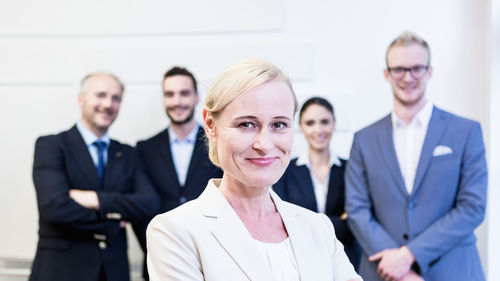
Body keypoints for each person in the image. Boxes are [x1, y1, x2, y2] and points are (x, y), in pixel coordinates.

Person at [146, 59, 362, 281]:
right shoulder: (174, 231)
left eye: (278, 124)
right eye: (246, 124)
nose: (265, 144)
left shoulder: (319, 228)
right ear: (211, 125)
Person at [345, 31, 487, 281]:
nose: (408, 77)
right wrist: (397, 266)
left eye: (416, 68)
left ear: (429, 72)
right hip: (383, 272)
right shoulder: (363, 139)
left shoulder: (466, 131)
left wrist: (409, 256)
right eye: (399, 69)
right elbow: (357, 210)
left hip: (453, 271)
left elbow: (472, 207)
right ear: (386, 74)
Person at [29, 73, 160, 281]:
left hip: (112, 272)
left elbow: (150, 203)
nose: (108, 104)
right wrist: (113, 219)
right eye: (100, 95)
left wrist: (96, 199)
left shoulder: (127, 154)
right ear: (81, 99)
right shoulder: (51, 146)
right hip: (60, 271)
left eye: (115, 98)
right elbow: (54, 207)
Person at [134, 66, 222, 279]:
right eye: (169, 94)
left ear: (196, 97)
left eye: (184, 93)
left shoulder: (219, 144)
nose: (177, 101)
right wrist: (155, 244)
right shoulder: (144, 149)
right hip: (159, 258)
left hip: (213, 262)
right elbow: (140, 207)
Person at [273, 97, 360, 269]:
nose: (318, 129)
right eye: (310, 123)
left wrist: (304, 221)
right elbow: (283, 223)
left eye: (325, 122)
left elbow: (354, 225)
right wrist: (338, 221)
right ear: (301, 127)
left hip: (346, 263)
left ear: (334, 124)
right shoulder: (284, 170)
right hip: (301, 264)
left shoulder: (352, 169)